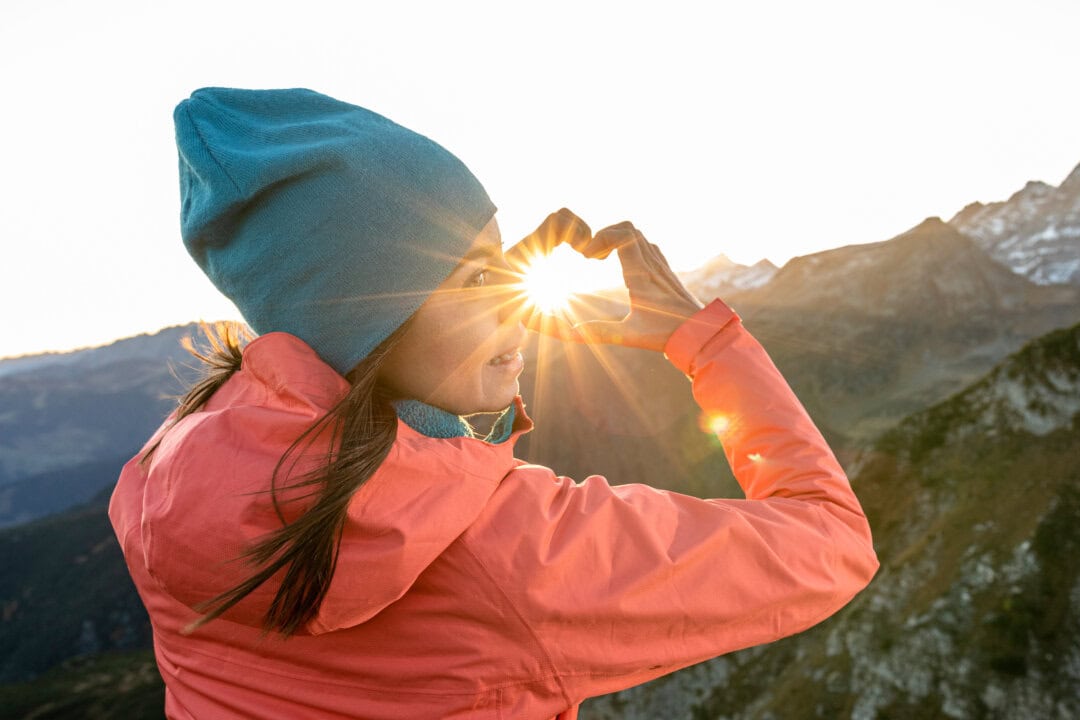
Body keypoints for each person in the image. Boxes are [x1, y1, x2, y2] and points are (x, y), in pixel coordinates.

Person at [109, 87, 879, 720]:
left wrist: (476, 291)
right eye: (480, 277)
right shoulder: (517, 559)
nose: (514, 305)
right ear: (377, 319)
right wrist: (705, 346)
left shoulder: (170, 468)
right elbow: (833, 539)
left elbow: (396, 376)